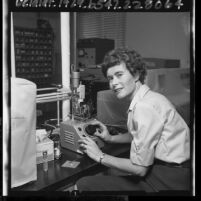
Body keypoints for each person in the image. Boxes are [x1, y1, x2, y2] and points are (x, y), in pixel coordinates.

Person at [76, 48, 190, 193]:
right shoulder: (150, 97)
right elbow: (139, 135)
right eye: (110, 78)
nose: (113, 83)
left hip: (168, 180)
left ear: (136, 74)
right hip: (176, 173)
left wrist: (100, 156)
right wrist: (110, 138)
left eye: (119, 75)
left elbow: (139, 169)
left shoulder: (144, 107)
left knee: (83, 184)